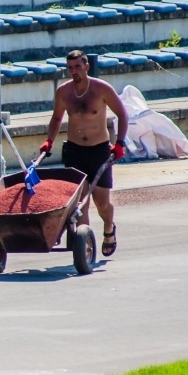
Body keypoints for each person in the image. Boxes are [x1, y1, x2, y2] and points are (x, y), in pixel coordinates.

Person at [40, 49, 129, 256]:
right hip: (75, 151)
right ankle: (85, 248)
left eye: (78, 67)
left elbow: (123, 115)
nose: (74, 72)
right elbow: (56, 118)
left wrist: (120, 143)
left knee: (102, 203)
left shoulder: (101, 89)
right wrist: (49, 141)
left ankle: (109, 228)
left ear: (86, 66)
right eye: (70, 68)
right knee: (81, 203)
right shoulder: (63, 92)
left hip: (99, 151)